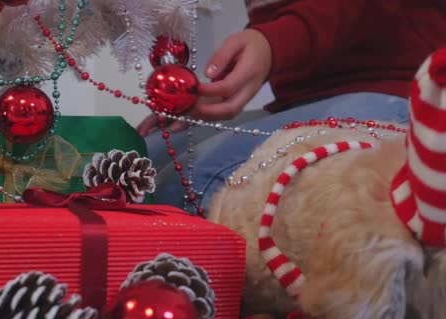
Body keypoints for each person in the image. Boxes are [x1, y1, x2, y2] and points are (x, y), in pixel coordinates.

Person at [138, 0, 446, 214]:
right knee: (141, 159)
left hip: (394, 93)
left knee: (192, 182)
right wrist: (223, 84)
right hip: (300, 99)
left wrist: (273, 43)